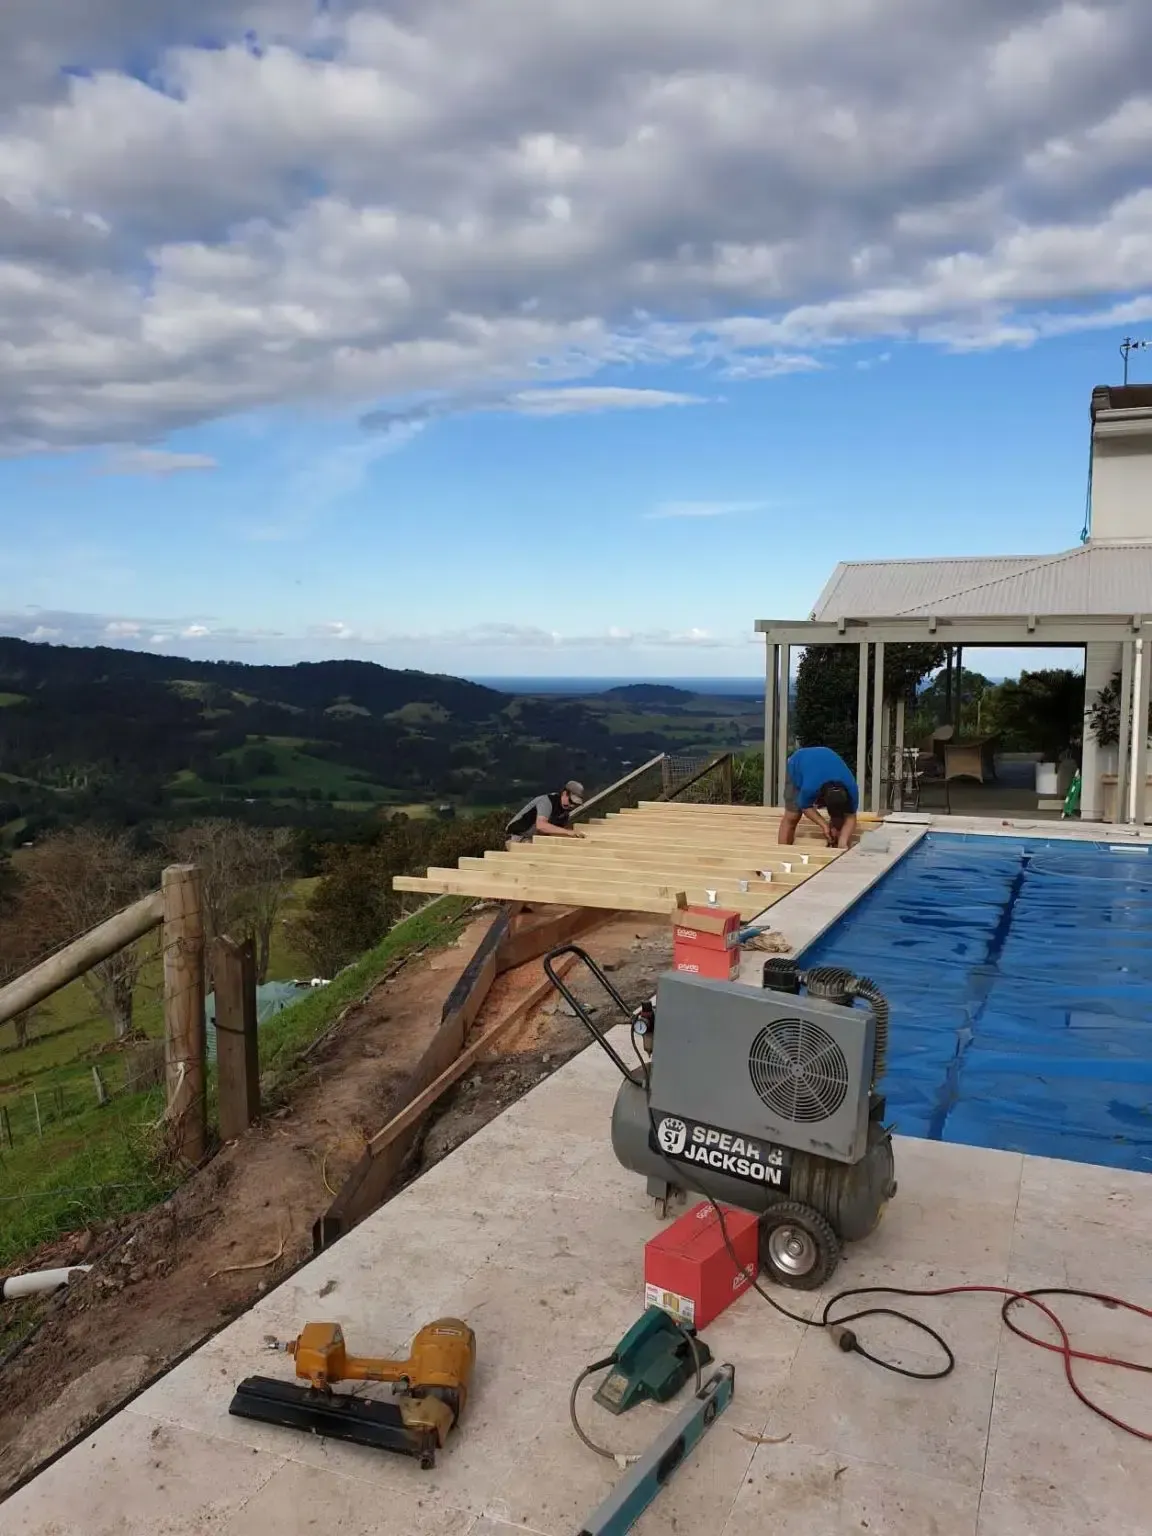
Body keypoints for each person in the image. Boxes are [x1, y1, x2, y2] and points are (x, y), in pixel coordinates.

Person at [778, 746, 858, 849]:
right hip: (798, 762)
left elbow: (851, 817)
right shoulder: (810, 787)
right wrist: (824, 825)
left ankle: (835, 842)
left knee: (839, 819)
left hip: (823, 758)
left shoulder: (852, 789)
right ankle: (783, 851)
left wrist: (843, 842)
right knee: (792, 816)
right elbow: (805, 807)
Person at [505, 780, 586, 841]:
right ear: (565, 793)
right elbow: (541, 825)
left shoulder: (565, 813)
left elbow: (555, 831)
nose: (571, 806)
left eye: (575, 804)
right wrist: (568, 832)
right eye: (571, 801)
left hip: (532, 838)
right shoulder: (547, 801)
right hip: (516, 836)